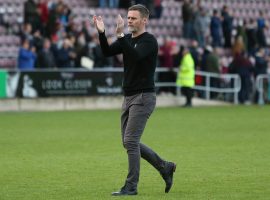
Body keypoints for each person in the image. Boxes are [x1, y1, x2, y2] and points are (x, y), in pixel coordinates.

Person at [93, 4, 176, 196]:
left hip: (144, 96)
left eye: (133, 18)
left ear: (144, 20)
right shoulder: (128, 39)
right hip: (129, 96)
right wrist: (102, 33)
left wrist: (121, 36)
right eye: (128, 18)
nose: (129, 21)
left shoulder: (149, 41)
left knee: (130, 140)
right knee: (128, 141)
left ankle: (131, 186)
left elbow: (136, 56)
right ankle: (164, 166)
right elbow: (107, 52)